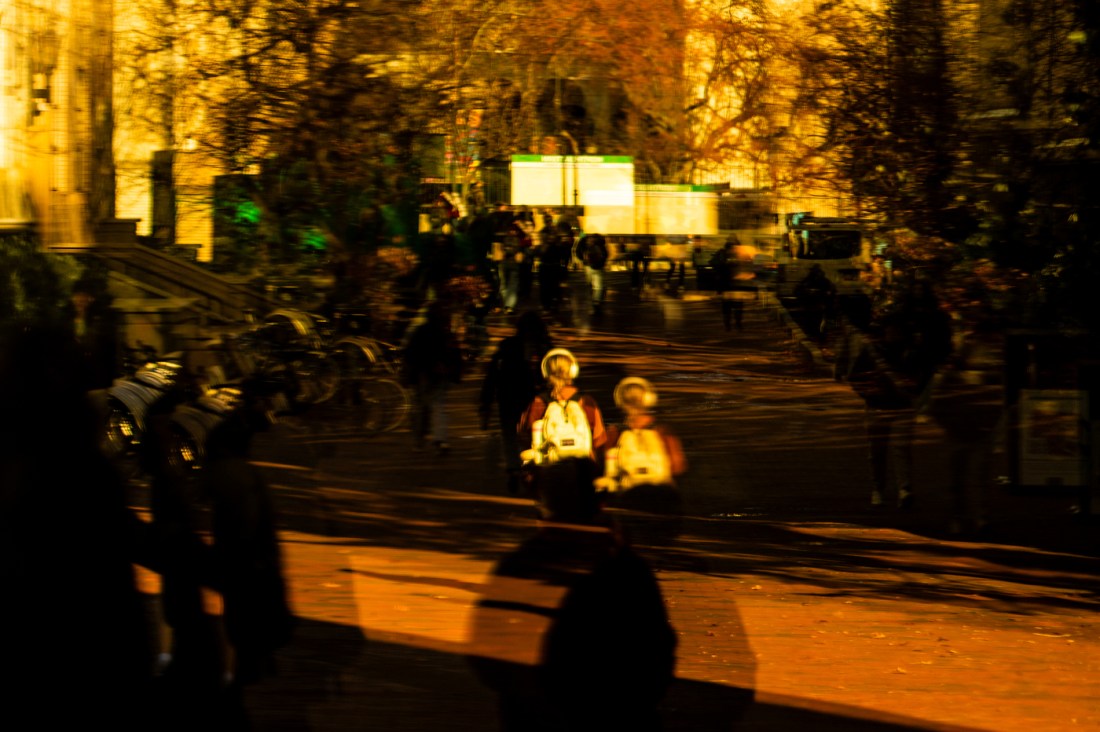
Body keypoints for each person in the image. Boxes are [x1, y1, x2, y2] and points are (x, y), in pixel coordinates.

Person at [837, 280, 952, 508]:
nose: (894, 334)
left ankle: (905, 489)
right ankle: (879, 488)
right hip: (878, 406)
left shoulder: (911, 351)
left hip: (902, 406)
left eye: (898, 330)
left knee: (902, 449)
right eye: (891, 330)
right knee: (876, 451)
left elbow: (926, 372)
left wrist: (915, 390)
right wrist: (870, 395)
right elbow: (855, 376)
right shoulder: (874, 351)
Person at [924, 317, 1004, 535]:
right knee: (969, 474)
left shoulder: (981, 356)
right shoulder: (969, 357)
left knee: (968, 473)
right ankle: (970, 516)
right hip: (964, 424)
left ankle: (970, 516)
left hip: (970, 424)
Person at [517, 348, 607, 523]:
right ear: (573, 371)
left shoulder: (538, 403)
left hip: (548, 474)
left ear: (546, 373)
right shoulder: (587, 402)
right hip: (583, 474)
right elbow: (599, 442)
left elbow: (524, 436)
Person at [597, 377, 687, 547]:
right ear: (648, 400)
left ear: (621, 401)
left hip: (627, 496)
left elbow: (606, 469)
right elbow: (678, 466)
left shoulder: (615, 433)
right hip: (661, 495)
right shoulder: (662, 431)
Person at [479, 311, 554, 494]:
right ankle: (531, 467)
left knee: (510, 435)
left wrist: (486, 402)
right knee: (536, 435)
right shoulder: (545, 347)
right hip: (536, 400)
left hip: (508, 397)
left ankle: (513, 469)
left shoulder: (507, 346)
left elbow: (492, 375)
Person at [402, 300, 465, 454]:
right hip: (439, 373)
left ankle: (419, 440)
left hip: (422, 373)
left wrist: (408, 373)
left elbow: (409, 353)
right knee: (439, 406)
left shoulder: (419, 331)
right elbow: (454, 354)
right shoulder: (445, 333)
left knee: (420, 407)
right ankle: (441, 439)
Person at [793, 263, 837, 341]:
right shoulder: (809, 280)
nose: (817, 274)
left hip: (819, 305)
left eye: (818, 272)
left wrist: (827, 295)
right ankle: (814, 334)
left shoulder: (824, 281)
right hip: (811, 305)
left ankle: (819, 334)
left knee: (820, 321)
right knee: (811, 321)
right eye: (816, 272)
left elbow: (831, 291)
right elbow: (798, 290)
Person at [710, 237, 746, 331]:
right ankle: (737, 324)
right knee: (738, 305)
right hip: (737, 285)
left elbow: (713, 263)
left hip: (725, 284)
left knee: (727, 306)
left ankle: (728, 325)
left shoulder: (722, 253)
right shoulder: (741, 254)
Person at [575, 231, 609, 313]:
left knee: (590, 284)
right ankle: (596, 302)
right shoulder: (601, 243)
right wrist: (603, 263)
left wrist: (583, 259)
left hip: (588, 266)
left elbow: (578, 252)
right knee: (598, 286)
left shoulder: (585, 242)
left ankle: (594, 300)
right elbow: (605, 254)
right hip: (598, 267)